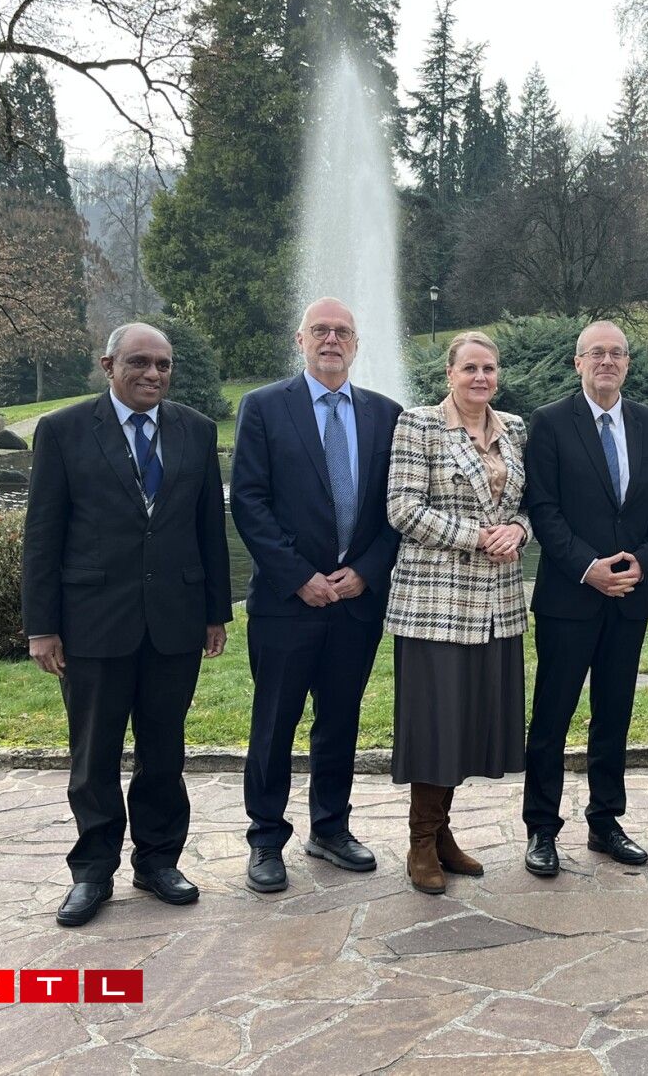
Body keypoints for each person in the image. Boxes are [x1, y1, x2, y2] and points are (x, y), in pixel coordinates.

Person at [22, 323, 232, 927]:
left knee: (164, 751)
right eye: (139, 362)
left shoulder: (195, 429)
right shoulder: (63, 430)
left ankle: (158, 861)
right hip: (93, 623)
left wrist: (214, 611)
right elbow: (43, 534)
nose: (153, 374)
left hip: (174, 622)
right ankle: (92, 872)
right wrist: (41, 626)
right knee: (94, 756)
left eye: (163, 365)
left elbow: (208, 529)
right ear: (108, 365)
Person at [231, 298, 403, 893]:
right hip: (286, 602)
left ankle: (330, 827)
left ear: (356, 345)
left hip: (356, 602)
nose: (332, 340)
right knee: (274, 723)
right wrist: (299, 576)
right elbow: (248, 501)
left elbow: (397, 508)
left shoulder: (386, 414)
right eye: (320, 331)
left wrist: (366, 572)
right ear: (300, 340)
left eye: (343, 332)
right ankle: (265, 838)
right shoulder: (262, 407)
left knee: (340, 719)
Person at [521, 321, 648, 877]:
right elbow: (543, 508)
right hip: (570, 597)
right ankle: (542, 829)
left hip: (629, 595)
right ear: (578, 363)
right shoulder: (549, 422)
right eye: (596, 353)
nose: (607, 361)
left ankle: (606, 822)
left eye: (617, 353)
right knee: (552, 717)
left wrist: (645, 559)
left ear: (628, 363)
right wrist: (588, 568)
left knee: (614, 715)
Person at [385, 331, 530, 895]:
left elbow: (529, 506)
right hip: (436, 603)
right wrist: (479, 536)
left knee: (468, 723)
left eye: (488, 368)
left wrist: (518, 531)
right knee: (434, 724)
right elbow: (402, 507)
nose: (480, 377)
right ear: (449, 374)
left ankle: (442, 833)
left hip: (497, 603)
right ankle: (421, 841)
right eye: (469, 367)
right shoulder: (419, 425)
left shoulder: (513, 428)